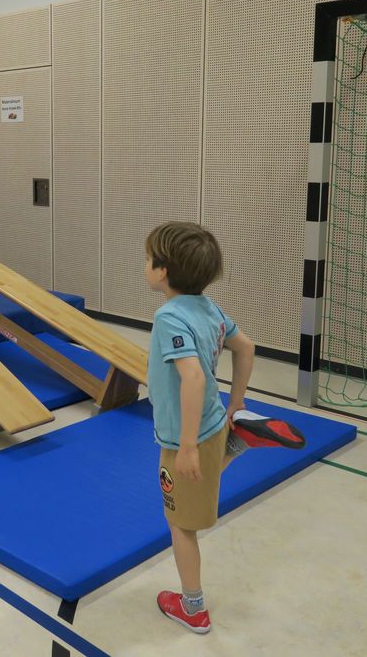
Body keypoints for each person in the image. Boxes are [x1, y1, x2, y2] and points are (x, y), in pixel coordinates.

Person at [145, 221, 257, 635]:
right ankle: (236, 443)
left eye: (148, 259)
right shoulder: (209, 308)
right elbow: (246, 347)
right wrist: (237, 401)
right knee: (199, 481)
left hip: (185, 435)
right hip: (212, 421)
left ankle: (193, 608)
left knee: (181, 523)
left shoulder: (169, 317)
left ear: (162, 271)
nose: (145, 264)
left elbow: (192, 377)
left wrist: (187, 445)